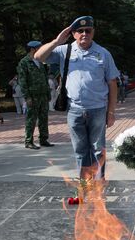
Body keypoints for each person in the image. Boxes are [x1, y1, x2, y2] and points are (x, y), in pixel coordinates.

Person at [34, 16, 118, 180]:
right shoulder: (65, 51)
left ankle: (99, 184)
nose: (84, 33)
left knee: (98, 149)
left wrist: (111, 112)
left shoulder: (103, 53)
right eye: (80, 31)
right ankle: (85, 183)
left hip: (98, 109)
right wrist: (57, 41)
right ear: (73, 33)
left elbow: (112, 83)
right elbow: (38, 57)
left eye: (88, 30)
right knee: (80, 150)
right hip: (74, 110)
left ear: (93, 32)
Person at [17, 41, 53, 149]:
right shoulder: (24, 62)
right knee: (31, 119)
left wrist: (48, 93)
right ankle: (28, 141)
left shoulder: (40, 62)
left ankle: (43, 139)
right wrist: (27, 97)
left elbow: (44, 79)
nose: (42, 49)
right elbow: (22, 81)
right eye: (39, 48)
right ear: (33, 49)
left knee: (43, 118)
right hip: (32, 96)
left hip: (43, 95)